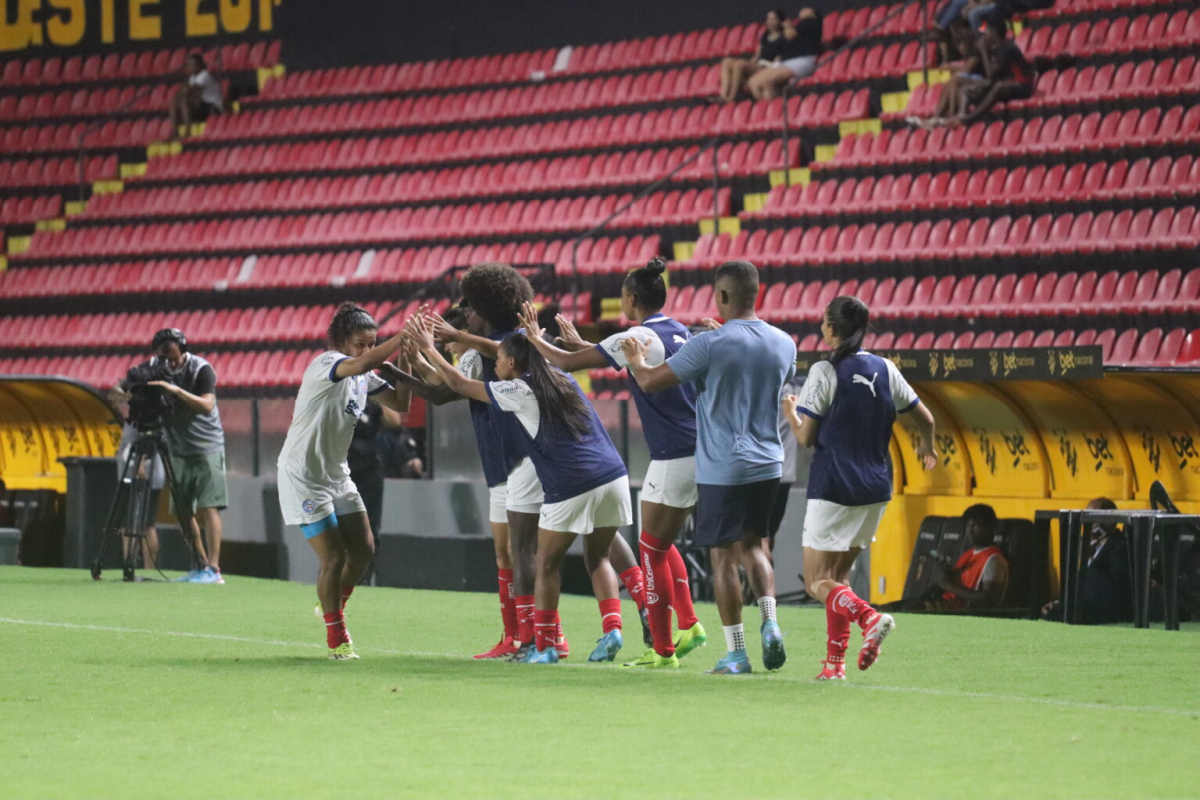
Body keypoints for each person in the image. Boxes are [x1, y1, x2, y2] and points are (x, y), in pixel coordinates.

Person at [515, 258, 707, 669]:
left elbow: (565, 366)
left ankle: (663, 647)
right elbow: (594, 356)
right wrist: (574, 344)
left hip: (673, 454)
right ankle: (689, 622)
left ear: (631, 298)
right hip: (698, 448)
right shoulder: (678, 331)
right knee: (663, 543)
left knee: (650, 549)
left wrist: (534, 338)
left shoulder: (636, 335)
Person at [411, 319, 634, 665]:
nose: (495, 365)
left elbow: (458, 383)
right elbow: (528, 356)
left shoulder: (517, 390)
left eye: (499, 360)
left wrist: (428, 347)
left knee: (545, 563)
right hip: (615, 476)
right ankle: (613, 629)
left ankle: (545, 646)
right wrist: (528, 339)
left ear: (512, 364)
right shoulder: (563, 378)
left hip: (573, 482)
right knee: (599, 556)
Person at [623, 260, 793, 675]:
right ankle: (770, 622)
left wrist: (635, 359)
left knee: (722, 559)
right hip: (769, 462)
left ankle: (737, 651)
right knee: (754, 548)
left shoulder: (709, 345)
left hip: (723, 466)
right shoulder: (784, 342)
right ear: (757, 293)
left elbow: (651, 381)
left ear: (720, 296)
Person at [784, 296, 937, 680]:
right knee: (839, 579)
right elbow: (926, 418)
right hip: (875, 489)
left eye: (823, 323)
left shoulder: (824, 371)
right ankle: (834, 665)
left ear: (833, 329)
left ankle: (869, 619)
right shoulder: (885, 368)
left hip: (835, 486)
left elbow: (805, 438)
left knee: (818, 580)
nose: (820, 329)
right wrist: (927, 446)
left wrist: (790, 412)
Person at [401, 266, 542, 660]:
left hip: (511, 464)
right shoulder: (507, 344)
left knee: (515, 553)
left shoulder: (494, 349)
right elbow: (446, 386)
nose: (468, 313)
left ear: (487, 308)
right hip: (518, 460)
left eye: (472, 307)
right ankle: (522, 635)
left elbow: (442, 392)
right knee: (519, 553)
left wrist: (412, 362)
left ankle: (528, 636)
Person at [277, 303, 412, 659]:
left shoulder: (362, 376)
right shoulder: (325, 364)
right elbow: (364, 363)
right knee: (334, 557)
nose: (367, 351)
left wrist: (408, 358)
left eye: (373, 344)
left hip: (336, 473)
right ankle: (337, 635)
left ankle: (332, 603)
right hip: (303, 475)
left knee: (365, 548)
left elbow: (401, 403)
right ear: (341, 342)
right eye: (361, 344)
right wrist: (403, 337)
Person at [116, 328, 228, 584]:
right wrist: (131, 392)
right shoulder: (156, 366)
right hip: (177, 449)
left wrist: (174, 390)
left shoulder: (201, 369)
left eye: (173, 354)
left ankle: (215, 568)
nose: (170, 361)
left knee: (209, 506)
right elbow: (118, 392)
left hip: (207, 446)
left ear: (183, 348)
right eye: (165, 355)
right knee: (181, 511)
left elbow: (207, 404)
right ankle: (201, 564)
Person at [1041, 498, 1132, 624]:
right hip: (1083, 602)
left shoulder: (1119, 545)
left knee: (1091, 573)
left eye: (1095, 517)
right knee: (1050, 612)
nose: (1091, 522)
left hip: (1106, 606)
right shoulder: (1084, 544)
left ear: (1111, 520)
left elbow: (1117, 584)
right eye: (1088, 516)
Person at [347, 401, 406, 584]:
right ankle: (338, 580)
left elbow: (394, 421)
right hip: (340, 473)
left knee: (370, 529)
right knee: (339, 530)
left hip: (368, 472)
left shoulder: (369, 397)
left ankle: (365, 579)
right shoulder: (335, 389)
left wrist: (375, 392)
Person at [746, 8, 823, 100]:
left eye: (806, 9)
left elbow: (791, 35)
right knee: (753, 82)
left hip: (801, 61)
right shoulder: (799, 24)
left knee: (759, 82)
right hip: (787, 62)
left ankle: (770, 109)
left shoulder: (812, 22)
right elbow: (788, 38)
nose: (802, 10)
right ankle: (770, 109)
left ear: (812, 13)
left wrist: (787, 26)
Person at [716, 9, 787, 103]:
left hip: (768, 67)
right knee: (727, 61)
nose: (770, 21)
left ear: (779, 21)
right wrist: (751, 63)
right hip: (758, 65)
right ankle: (723, 95)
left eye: (773, 19)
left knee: (740, 64)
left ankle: (732, 97)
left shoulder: (784, 37)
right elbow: (757, 56)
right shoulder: (765, 35)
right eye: (768, 19)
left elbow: (779, 60)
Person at [169, 54, 223, 139]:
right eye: (188, 65)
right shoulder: (193, 77)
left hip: (214, 108)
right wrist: (181, 94)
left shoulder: (205, 75)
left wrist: (184, 90)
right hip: (202, 106)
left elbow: (190, 91)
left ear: (199, 66)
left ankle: (188, 131)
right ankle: (175, 132)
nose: (188, 67)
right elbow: (180, 94)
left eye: (191, 65)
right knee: (174, 102)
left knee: (184, 101)